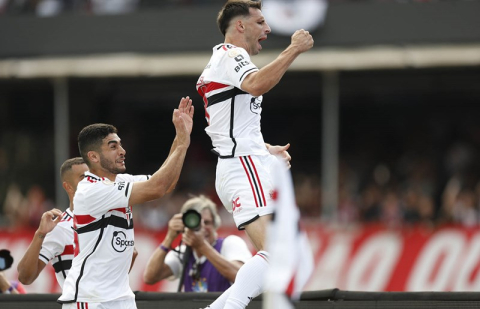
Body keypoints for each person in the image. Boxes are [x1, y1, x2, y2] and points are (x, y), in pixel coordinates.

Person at [195, 1, 313, 308]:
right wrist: (294, 49)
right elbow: (257, 84)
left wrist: (264, 149)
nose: (268, 28)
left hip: (239, 163)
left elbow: (230, 124)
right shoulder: (231, 55)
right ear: (240, 26)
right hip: (242, 166)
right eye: (260, 22)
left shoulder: (222, 61)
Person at [57, 96, 193, 309]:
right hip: (90, 300)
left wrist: (180, 137)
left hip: (121, 298)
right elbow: (157, 186)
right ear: (93, 156)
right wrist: (182, 144)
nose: (123, 151)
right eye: (113, 146)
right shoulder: (90, 189)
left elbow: (165, 185)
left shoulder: (121, 181)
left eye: (120, 144)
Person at [143, 195, 252, 292]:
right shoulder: (183, 252)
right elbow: (150, 277)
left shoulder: (229, 243)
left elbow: (244, 278)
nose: (203, 228)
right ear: (185, 225)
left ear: (215, 224)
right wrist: (169, 238)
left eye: (207, 222)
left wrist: (202, 246)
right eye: (197, 223)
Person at [17, 157, 88, 289]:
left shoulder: (109, 219)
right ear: (68, 187)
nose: (91, 181)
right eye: (83, 177)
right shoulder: (60, 227)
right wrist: (40, 234)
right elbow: (25, 277)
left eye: (92, 176)